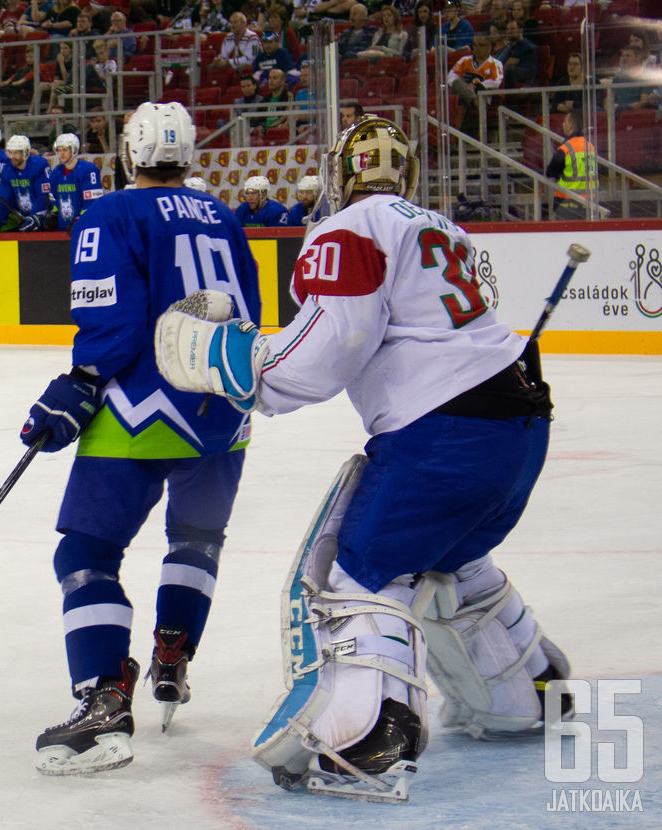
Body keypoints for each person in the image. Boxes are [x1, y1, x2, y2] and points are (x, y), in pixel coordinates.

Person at [154, 114, 570, 802]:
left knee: (362, 578)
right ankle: (528, 692)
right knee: (451, 564)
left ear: (343, 173)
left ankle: (362, 739)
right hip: (520, 430)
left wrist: (228, 357)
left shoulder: (350, 228)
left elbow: (328, 351)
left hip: (445, 434)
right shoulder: (438, 226)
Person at [25, 101, 261, 776]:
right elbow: (247, 312)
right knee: (196, 541)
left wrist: (76, 385)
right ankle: (172, 657)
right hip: (224, 410)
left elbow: (114, 328)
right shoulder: (225, 218)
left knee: (88, 556)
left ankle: (103, 698)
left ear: (129, 154)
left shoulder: (108, 214)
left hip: (140, 410)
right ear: (189, 155)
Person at [545, 107, 596, 220]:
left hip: (566, 202)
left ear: (571, 125)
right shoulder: (590, 147)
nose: (563, 124)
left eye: (565, 122)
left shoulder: (565, 149)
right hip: (589, 202)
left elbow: (550, 172)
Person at [48, 133, 103, 233]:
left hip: (84, 229)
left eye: (65, 150)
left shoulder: (88, 170)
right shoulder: (56, 172)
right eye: (59, 150)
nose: (61, 154)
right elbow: (53, 199)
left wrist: (80, 220)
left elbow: (93, 203)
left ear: (74, 150)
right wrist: (54, 215)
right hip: (62, 229)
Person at [446, 34, 503, 126]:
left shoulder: (495, 63)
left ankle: (454, 136)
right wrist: (466, 88)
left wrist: (475, 87)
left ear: (489, 47)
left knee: (462, 99)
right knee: (457, 83)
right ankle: (474, 101)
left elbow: (495, 81)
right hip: (471, 99)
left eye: (480, 45)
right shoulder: (464, 60)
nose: (476, 48)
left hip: (481, 96)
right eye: (475, 45)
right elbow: (451, 77)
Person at [494, 18, 535, 87]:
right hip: (515, 73)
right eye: (507, 29)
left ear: (521, 30)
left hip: (526, 74)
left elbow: (509, 63)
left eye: (512, 29)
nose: (509, 31)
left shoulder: (523, 44)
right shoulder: (510, 46)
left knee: (507, 70)